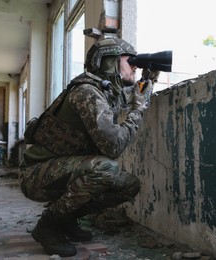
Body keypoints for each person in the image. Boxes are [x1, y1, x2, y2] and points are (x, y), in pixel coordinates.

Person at [18, 37, 159, 257]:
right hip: (36, 174)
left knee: (128, 185)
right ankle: (49, 224)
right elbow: (113, 147)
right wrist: (137, 111)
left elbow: (129, 96)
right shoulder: (86, 93)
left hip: (61, 170)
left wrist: (147, 80)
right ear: (109, 61)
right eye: (130, 60)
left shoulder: (104, 93)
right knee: (105, 168)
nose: (134, 65)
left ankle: (66, 217)